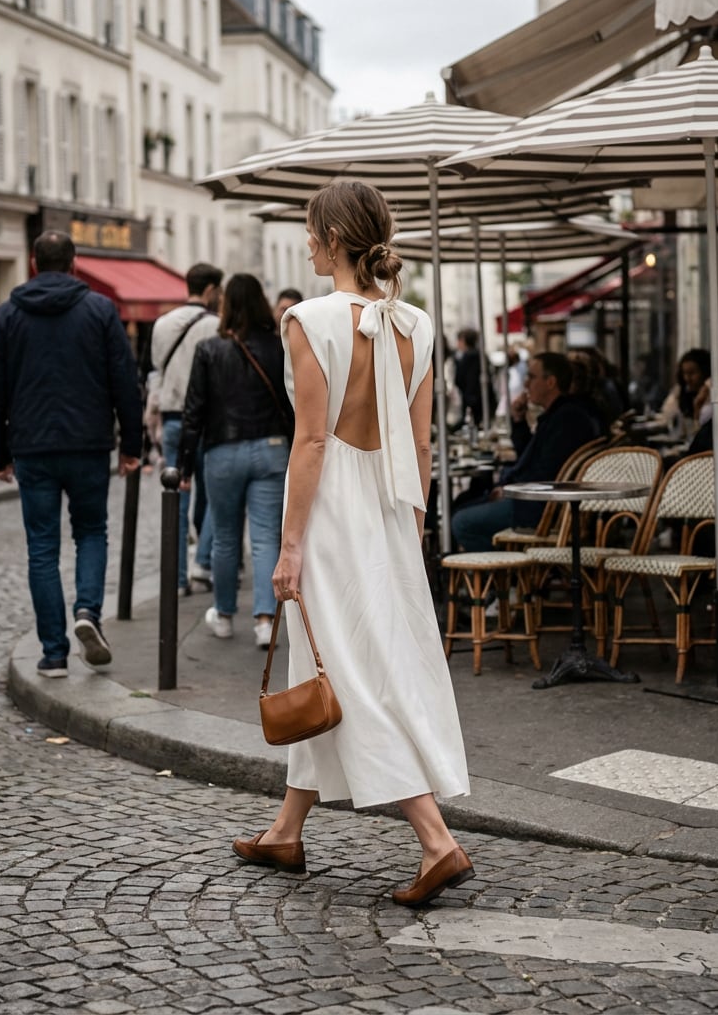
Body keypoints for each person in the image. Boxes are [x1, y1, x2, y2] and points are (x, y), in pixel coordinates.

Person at [232, 180, 472, 909]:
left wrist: (290, 544)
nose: (306, 243)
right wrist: (414, 528)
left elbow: (310, 440)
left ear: (334, 236)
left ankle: (436, 841)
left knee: (354, 673)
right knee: (331, 663)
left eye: (311, 231)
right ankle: (285, 830)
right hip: (393, 511)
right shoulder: (419, 324)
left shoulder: (309, 319)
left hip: (333, 512)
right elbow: (423, 441)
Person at [0, 231, 142, 677]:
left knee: (42, 548)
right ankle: (87, 612)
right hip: (89, 442)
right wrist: (132, 446)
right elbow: (124, 381)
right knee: (91, 531)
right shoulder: (99, 310)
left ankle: (53, 653)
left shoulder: (9, 314)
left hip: (32, 445)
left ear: (34, 263)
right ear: (74, 264)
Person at [178, 273, 293, 648]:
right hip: (271, 447)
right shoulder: (280, 347)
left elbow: (194, 411)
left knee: (225, 538)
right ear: (262, 303)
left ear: (226, 305)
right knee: (264, 539)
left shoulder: (210, 350)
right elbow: (293, 403)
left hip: (222, 451)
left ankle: (224, 615)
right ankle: (264, 621)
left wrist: (182, 467)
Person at [452, 351, 604, 553]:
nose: (525, 384)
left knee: (461, 521)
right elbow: (531, 456)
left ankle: (511, 572)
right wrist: (519, 420)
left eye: (531, 377)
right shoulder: (559, 415)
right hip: (532, 500)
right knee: (461, 506)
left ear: (550, 382)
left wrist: (509, 489)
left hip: (536, 507)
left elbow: (546, 471)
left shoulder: (567, 419)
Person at [151, 263, 223, 594]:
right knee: (215, 496)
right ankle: (203, 563)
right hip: (207, 420)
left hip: (171, 419)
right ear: (210, 290)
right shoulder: (217, 326)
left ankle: (177, 580)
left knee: (175, 498)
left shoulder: (162, 325)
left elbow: (155, 371)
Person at [660, 348, 711, 439]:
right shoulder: (683, 393)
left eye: (692, 373)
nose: (687, 378)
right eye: (684, 373)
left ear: (704, 372)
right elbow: (667, 413)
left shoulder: (711, 396)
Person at [452, 327, 486, 430]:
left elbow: (461, 379)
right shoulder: (479, 355)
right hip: (476, 399)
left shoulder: (469, 357)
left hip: (471, 400)